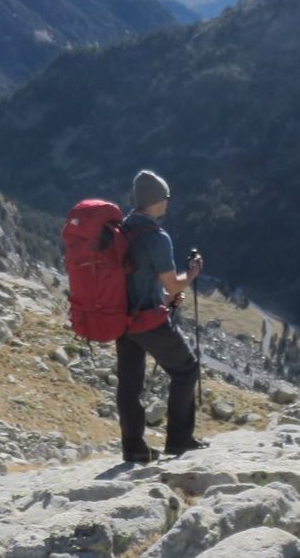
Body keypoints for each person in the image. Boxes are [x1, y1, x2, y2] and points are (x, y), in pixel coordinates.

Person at [117, 169, 207, 462]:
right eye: (166, 197)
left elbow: (138, 278)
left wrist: (166, 298)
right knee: (186, 369)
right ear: (159, 200)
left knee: (130, 384)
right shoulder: (157, 237)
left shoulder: (123, 228)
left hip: (122, 319)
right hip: (147, 320)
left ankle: (134, 448)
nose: (168, 202)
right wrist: (191, 274)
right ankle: (179, 441)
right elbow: (172, 283)